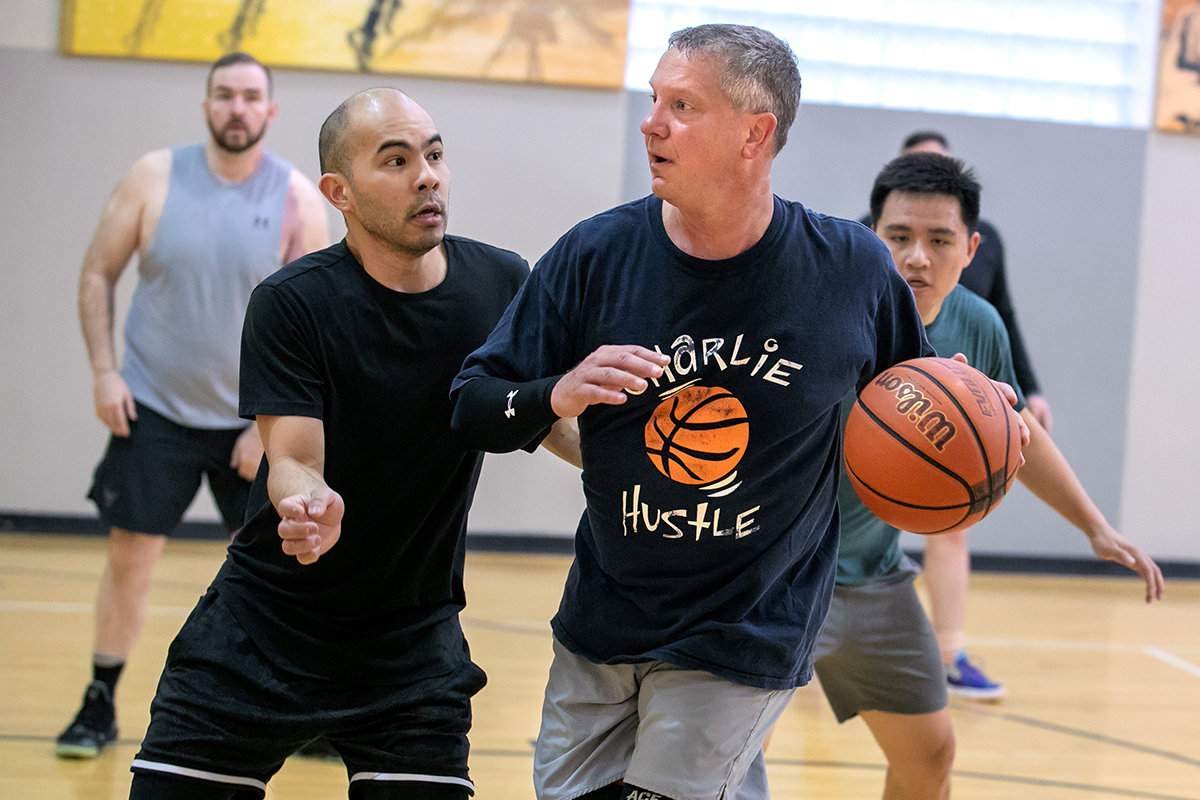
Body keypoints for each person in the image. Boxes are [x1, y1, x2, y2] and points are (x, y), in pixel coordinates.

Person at [449, 25, 1021, 800]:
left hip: (748, 627)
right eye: (655, 99)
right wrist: (554, 393)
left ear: (757, 134)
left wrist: (985, 420)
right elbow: (473, 404)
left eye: (682, 105)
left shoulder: (849, 268)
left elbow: (916, 400)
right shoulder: (594, 255)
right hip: (603, 620)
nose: (652, 121)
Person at [123, 87, 567, 799]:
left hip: (411, 648)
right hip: (263, 632)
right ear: (341, 192)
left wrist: (644, 462)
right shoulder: (295, 302)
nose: (427, 175)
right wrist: (309, 504)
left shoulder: (501, 284)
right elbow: (293, 457)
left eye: (434, 154)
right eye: (395, 160)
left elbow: (545, 421)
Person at [785, 151, 1163, 798]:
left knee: (931, 758)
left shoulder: (978, 324)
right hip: (783, 574)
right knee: (736, 758)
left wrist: (1095, 527)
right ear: (870, 235)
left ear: (971, 248)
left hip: (875, 579)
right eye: (898, 237)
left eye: (939, 240)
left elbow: (1019, 436)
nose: (917, 258)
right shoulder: (824, 314)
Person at [62, 52, 329, 759]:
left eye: (250, 97)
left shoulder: (300, 198)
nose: (236, 108)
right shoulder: (153, 177)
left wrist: (268, 425)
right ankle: (98, 700)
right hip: (154, 411)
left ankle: (306, 711)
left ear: (269, 111)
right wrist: (102, 373)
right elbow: (97, 272)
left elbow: (319, 326)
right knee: (131, 560)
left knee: (292, 567)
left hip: (253, 427)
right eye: (224, 95)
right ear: (206, 104)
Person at [901, 131, 1050, 699]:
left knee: (953, 524)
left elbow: (1003, 316)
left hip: (952, 411)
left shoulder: (985, 247)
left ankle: (949, 652)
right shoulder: (867, 239)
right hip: (880, 407)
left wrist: (1029, 389)